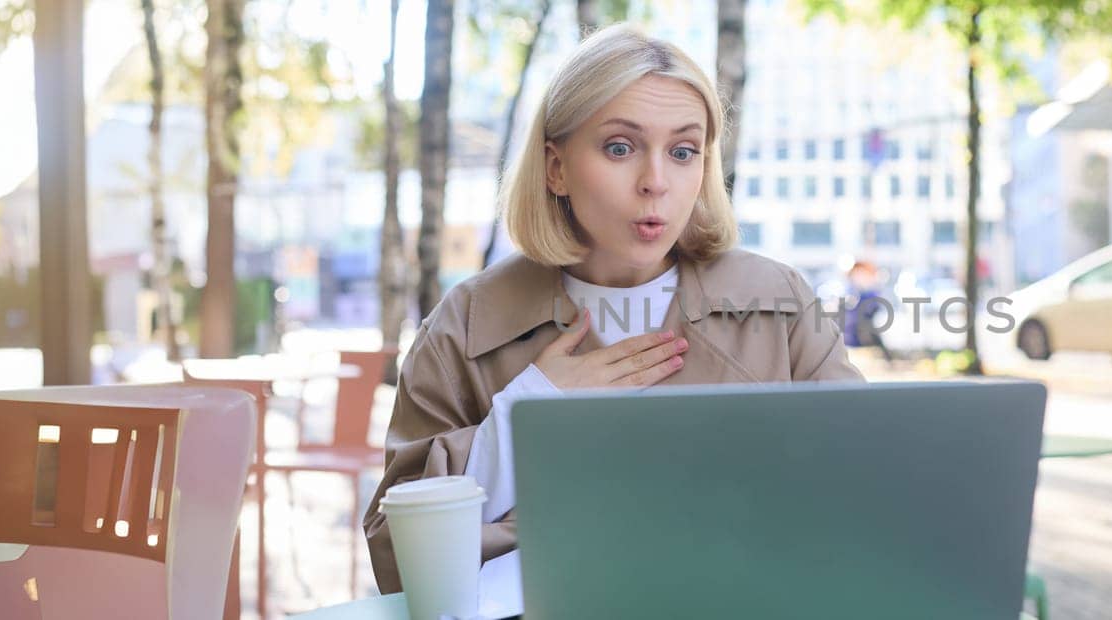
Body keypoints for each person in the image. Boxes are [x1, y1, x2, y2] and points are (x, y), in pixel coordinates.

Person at [362, 25, 865, 596]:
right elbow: (395, 556)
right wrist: (526, 411)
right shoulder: (467, 322)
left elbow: (869, 498)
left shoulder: (780, 302)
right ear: (556, 167)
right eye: (620, 147)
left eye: (683, 152)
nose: (655, 183)